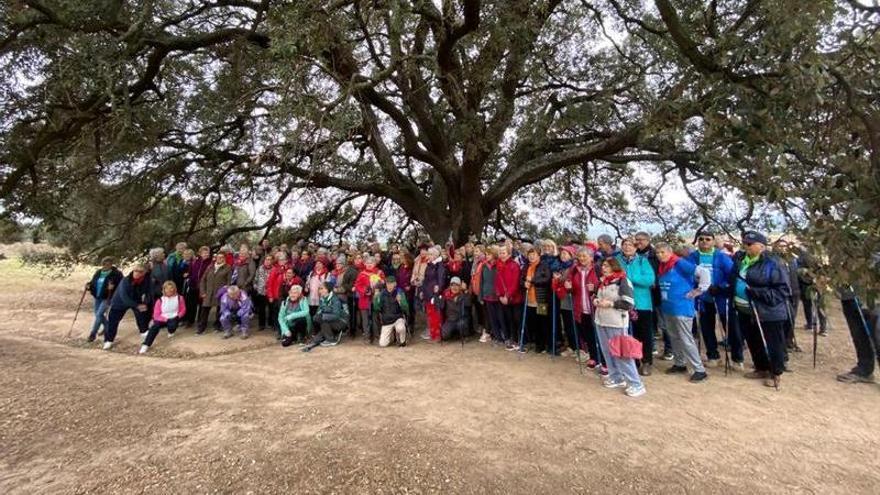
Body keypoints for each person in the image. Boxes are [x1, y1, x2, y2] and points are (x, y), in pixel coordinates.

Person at [729, 231, 791, 389]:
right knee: (753, 339)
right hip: (745, 309)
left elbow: (783, 290)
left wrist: (758, 293)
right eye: (744, 243)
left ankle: (775, 372)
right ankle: (761, 367)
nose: (746, 246)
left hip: (768, 311)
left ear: (762, 246)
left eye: (750, 244)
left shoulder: (773, 263)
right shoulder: (742, 260)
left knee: (772, 342)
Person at [656, 242, 710, 382]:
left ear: (670, 251)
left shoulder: (679, 263)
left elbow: (703, 272)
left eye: (663, 252)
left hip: (682, 307)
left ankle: (699, 369)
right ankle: (680, 363)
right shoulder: (662, 266)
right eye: (657, 252)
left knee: (686, 338)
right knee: (674, 336)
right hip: (668, 307)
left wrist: (699, 290)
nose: (660, 255)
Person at [593, 258, 645, 397]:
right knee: (607, 351)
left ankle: (636, 383)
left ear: (614, 267)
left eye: (607, 266)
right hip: (601, 320)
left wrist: (611, 304)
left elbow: (628, 304)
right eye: (603, 265)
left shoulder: (623, 281)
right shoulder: (603, 281)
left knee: (622, 353)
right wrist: (596, 300)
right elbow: (594, 295)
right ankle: (616, 376)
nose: (604, 268)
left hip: (617, 322)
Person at [686, 229, 734, 368]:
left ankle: (737, 357)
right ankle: (712, 355)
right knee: (707, 327)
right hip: (703, 298)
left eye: (708, 239)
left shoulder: (721, 256)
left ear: (713, 241)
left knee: (729, 326)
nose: (704, 242)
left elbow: (731, 274)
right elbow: (688, 274)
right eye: (701, 239)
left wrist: (721, 286)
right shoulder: (692, 257)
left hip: (720, 295)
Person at [616, 239, 656, 376]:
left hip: (641, 303)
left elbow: (649, 280)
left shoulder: (642, 261)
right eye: (624, 245)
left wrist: (628, 277)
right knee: (627, 334)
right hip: (622, 302)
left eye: (630, 245)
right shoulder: (615, 260)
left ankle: (646, 361)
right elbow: (611, 276)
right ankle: (632, 360)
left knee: (644, 334)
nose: (627, 247)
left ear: (635, 247)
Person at [562, 248, 601, 368]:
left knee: (597, 334)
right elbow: (572, 289)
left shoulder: (598, 269)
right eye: (580, 256)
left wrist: (595, 288)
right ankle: (593, 357)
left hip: (595, 307)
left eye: (585, 256)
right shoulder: (575, 270)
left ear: (591, 257)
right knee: (586, 334)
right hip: (580, 306)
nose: (582, 258)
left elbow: (604, 285)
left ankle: (601, 358)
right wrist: (569, 287)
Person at [103, 263, 154, 350]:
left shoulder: (147, 279)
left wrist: (145, 303)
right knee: (113, 321)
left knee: (142, 313)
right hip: (119, 301)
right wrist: (137, 305)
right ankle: (109, 340)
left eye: (140, 271)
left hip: (136, 298)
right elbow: (124, 297)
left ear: (144, 273)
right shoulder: (126, 281)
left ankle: (143, 330)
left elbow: (149, 293)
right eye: (135, 271)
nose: (137, 273)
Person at [836, 286, 880, 383]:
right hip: (848, 294)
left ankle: (865, 369)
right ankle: (864, 370)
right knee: (858, 333)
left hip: (868, 291)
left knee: (876, 331)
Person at [140, 281, 186, 354]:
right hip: (162, 318)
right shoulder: (160, 300)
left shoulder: (179, 298)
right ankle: (146, 344)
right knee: (154, 327)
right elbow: (156, 315)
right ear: (164, 290)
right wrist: (165, 319)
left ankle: (171, 331)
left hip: (174, 317)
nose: (169, 290)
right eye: (167, 288)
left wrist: (178, 316)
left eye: (171, 288)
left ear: (174, 289)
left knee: (172, 326)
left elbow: (183, 309)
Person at [773, 239, 802, 353]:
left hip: (794, 292)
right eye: (780, 246)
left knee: (792, 318)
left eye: (785, 246)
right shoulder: (774, 261)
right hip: (782, 294)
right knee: (784, 319)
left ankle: (789, 341)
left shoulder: (793, 260)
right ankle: (782, 343)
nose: (783, 248)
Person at [86, 256, 123, 342]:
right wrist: (88, 285)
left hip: (108, 297)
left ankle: (93, 334)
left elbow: (121, 285)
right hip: (97, 296)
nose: (106, 265)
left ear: (111, 264)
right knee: (97, 314)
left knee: (99, 314)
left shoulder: (116, 273)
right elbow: (93, 282)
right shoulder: (99, 272)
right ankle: (108, 327)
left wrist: (113, 288)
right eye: (104, 263)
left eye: (108, 263)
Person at [302, 282, 348, 352]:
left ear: (327, 289)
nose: (320, 291)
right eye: (319, 289)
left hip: (341, 321)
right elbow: (319, 311)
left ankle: (331, 340)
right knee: (316, 319)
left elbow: (337, 315)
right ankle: (317, 338)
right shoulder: (322, 299)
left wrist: (324, 315)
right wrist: (319, 315)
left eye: (322, 288)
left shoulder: (335, 299)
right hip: (330, 321)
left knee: (323, 320)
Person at [522, 247, 552, 354]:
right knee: (532, 322)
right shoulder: (526, 266)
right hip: (529, 299)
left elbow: (547, 279)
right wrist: (524, 283)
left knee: (542, 322)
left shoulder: (544, 266)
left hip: (541, 299)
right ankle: (536, 343)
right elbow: (521, 279)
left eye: (533, 254)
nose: (531, 256)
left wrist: (533, 281)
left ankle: (544, 344)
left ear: (538, 255)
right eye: (529, 254)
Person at [495, 244, 523, 351]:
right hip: (503, 298)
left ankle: (519, 340)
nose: (501, 255)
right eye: (500, 253)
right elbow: (497, 282)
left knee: (517, 319)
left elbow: (514, 283)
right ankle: (512, 339)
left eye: (503, 253)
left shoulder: (514, 265)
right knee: (509, 319)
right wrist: (500, 295)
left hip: (514, 298)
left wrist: (507, 296)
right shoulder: (498, 265)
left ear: (509, 253)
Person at [551, 246, 577, 357]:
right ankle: (571, 346)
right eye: (562, 254)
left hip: (571, 299)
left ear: (571, 255)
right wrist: (556, 280)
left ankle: (578, 348)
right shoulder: (560, 268)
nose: (563, 255)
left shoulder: (574, 267)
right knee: (567, 324)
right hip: (562, 298)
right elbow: (555, 286)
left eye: (565, 254)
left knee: (572, 325)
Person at [197, 253, 231, 334]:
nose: (220, 259)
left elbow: (229, 282)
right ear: (215, 258)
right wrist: (203, 292)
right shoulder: (210, 267)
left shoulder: (228, 268)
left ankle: (217, 326)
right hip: (208, 293)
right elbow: (203, 280)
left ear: (224, 259)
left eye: (222, 257)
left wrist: (224, 292)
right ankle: (201, 328)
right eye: (218, 257)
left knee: (220, 310)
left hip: (220, 293)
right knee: (204, 310)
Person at [354, 256, 385, 343]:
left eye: (371, 263)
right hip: (364, 299)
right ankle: (367, 337)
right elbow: (357, 285)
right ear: (365, 264)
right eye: (367, 263)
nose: (369, 265)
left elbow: (383, 283)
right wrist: (365, 291)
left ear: (374, 264)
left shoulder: (379, 272)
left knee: (376, 318)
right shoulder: (362, 274)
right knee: (365, 319)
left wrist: (379, 284)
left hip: (375, 298)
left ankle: (376, 336)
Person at [472, 246, 499, 344]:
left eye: (489, 254)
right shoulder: (484, 266)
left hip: (496, 295)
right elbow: (481, 282)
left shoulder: (498, 265)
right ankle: (488, 332)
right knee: (487, 315)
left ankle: (497, 334)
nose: (487, 256)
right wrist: (480, 295)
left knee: (496, 315)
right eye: (486, 254)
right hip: (485, 294)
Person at [373, 276, 409, 347]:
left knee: (401, 328)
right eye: (388, 283)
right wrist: (375, 299)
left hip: (397, 318)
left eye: (391, 283)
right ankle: (391, 337)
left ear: (395, 284)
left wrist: (400, 302)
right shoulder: (381, 294)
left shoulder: (399, 292)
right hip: (387, 321)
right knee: (382, 344)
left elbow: (406, 308)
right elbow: (376, 308)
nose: (389, 285)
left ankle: (403, 341)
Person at [421, 247, 447, 342]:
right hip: (428, 293)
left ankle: (438, 335)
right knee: (430, 315)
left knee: (436, 315)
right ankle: (433, 335)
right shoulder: (430, 265)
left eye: (430, 254)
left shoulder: (439, 266)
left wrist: (438, 289)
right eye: (429, 254)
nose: (429, 256)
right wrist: (422, 291)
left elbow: (441, 279)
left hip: (434, 294)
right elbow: (426, 280)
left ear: (435, 255)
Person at [331, 254, 359, 335]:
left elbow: (345, 287)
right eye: (336, 264)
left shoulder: (346, 273)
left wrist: (335, 290)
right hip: (336, 297)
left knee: (346, 314)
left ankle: (347, 329)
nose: (337, 265)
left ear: (344, 264)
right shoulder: (335, 273)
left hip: (345, 297)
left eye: (339, 264)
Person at [439, 277, 471, 342]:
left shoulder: (463, 294)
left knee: (462, 325)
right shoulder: (446, 294)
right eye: (452, 285)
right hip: (450, 320)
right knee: (444, 334)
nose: (454, 287)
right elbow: (441, 306)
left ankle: (464, 335)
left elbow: (468, 303)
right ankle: (454, 334)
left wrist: (465, 291)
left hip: (461, 319)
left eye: (457, 285)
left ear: (460, 287)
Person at [186, 246, 212, 327]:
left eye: (207, 252)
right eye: (204, 253)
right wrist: (190, 281)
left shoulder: (211, 263)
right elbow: (190, 273)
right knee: (191, 304)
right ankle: (190, 321)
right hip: (193, 286)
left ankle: (201, 321)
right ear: (200, 253)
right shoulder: (194, 261)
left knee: (202, 304)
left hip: (204, 287)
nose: (206, 254)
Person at [252, 256, 273, 331]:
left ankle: (271, 324)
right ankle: (261, 325)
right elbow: (256, 278)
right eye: (267, 259)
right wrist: (255, 285)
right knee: (261, 309)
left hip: (270, 291)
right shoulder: (260, 268)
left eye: (270, 260)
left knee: (271, 309)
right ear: (264, 261)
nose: (268, 261)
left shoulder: (274, 269)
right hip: (261, 291)